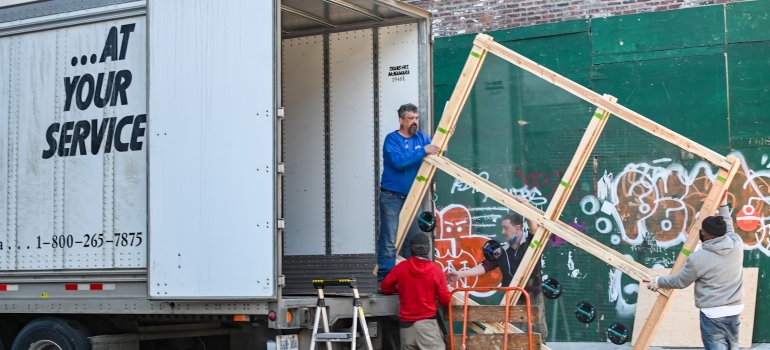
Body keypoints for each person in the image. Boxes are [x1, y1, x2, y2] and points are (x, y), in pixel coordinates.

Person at [646, 191, 744, 350]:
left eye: (703, 230)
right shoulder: (736, 244)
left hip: (713, 314)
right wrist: (723, 205)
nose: (701, 232)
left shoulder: (699, 258)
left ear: (709, 235)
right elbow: (729, 229)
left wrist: (658, 281)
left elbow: (680, 281)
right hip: (734, 311)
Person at [447, 208, 548, 340]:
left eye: (506, 228)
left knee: (538, 332)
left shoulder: (531, 243)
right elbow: (485, 266)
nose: (503, 232)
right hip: (512, 297)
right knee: (511, 334)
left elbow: (534, 228)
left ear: (517, 228)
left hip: (533, 295)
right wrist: (461, 274)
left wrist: (523, 205)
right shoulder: (503, 250)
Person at [378, 103, 440, 283]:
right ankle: (385, 280)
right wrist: (422, 151)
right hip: (392, 196)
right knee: (389, 239)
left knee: (413, 241)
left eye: (416, 118)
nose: (414, 122)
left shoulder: (421, 138)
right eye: (410, 119)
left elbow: (440, 152)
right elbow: (398, 162)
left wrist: (446, 137)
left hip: (414, 197)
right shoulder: (392, 139)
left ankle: (411, 281)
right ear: (401, 120)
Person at [380, 232, 451, 350]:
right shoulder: (436, 271)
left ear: (411, 249)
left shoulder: (401, 268)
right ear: (427, 249)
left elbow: (385, 287)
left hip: (406, 328)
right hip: (427, 327)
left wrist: (398, 288)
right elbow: (445, 300)